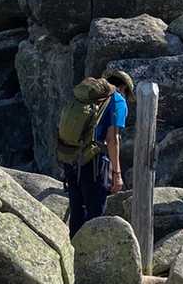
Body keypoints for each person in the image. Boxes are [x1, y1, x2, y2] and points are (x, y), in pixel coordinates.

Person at [56, 69, 134, 236]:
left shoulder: (87, 96)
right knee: (95, 212)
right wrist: (117, 173)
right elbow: (112, 139)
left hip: (71, 156)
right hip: (94, 161)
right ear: (123, 88)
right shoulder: (118, 100)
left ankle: (73, 249)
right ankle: (91, 249)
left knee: (77, 210)